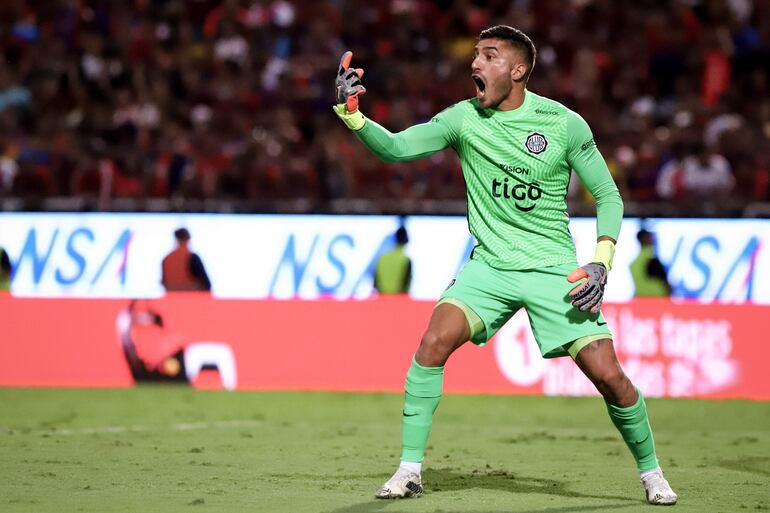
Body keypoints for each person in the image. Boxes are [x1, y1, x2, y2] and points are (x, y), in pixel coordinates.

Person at [333, 25, 677, 505]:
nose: (475, 63)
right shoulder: (463, 119)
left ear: (518, 70)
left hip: (553, 269)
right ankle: (409, 471)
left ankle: (652, 474)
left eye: (489, 56)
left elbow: (608, 196)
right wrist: (353, 115)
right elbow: (397, 148)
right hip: (490, 267)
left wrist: (601, 262)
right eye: (475, 55)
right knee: (432, 343)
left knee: (610, 377)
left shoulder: (563, 124)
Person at [631, 228, 671, 297]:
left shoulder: (634, 263)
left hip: (641, 300)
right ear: (644, 239)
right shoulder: (652, 260)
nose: (652, 238)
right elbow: (667, 286)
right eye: (649, 236)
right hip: (657, 300)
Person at [374, 226, 412, 295]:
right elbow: (406, 287)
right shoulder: (406, 260)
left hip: (382, 299)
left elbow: (375, 284)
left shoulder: (382, 258)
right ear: (407, 240)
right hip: (398, 301)